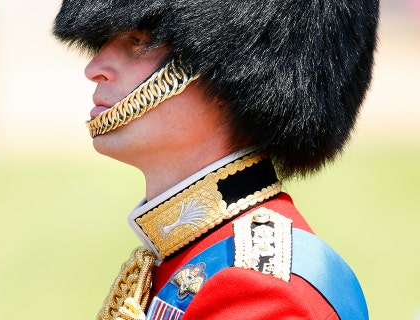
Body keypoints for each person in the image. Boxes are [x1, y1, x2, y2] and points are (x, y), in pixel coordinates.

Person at [53, 0, 379, 319]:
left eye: (138, 41)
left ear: (224, 67)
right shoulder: (183, 258)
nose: (94, 68)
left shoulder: (263, 292)